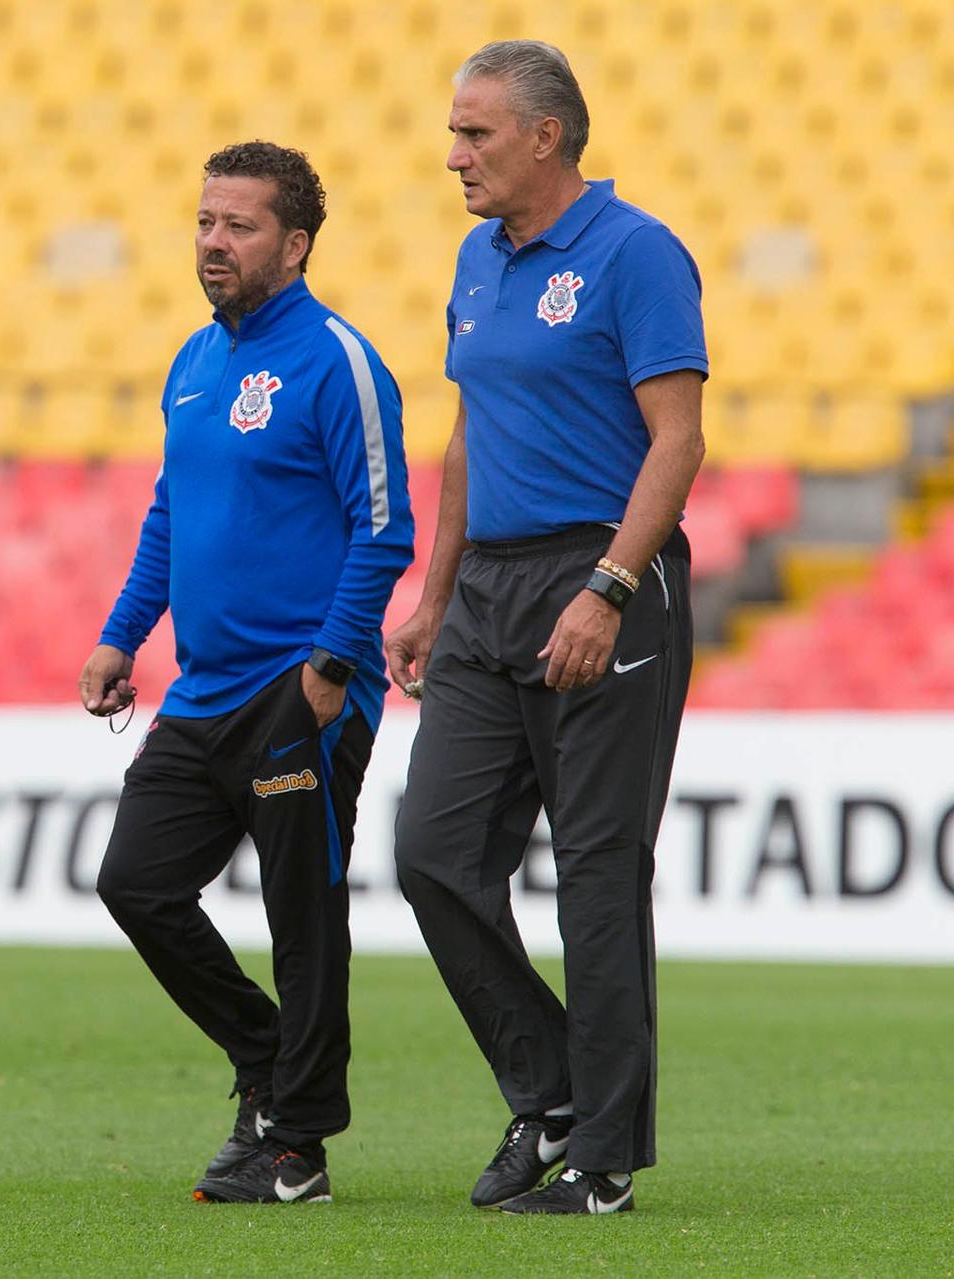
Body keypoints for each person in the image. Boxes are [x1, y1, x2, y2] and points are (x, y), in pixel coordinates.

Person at [386, 40, 707, 1215]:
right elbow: (471, 433)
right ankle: (556, 1089)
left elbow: (677, 440)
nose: (455, 154)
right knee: (432, 853)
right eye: (453, 132)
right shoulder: (477, 257)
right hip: (485, 594)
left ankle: (606, 1161)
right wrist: (434, 592)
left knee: (596, 875)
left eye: (475, 133)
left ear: (546, 136)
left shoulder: (637, 254)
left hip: (601, 575)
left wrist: (611, 585)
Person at [83, 141, 414, 1205]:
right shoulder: (193, 361)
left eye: (240, 226)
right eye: (205, 223)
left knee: (301, 913)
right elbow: (171, 514)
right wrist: (122, 634)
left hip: (299, 689)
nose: (214, 243)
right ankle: (270, 1060)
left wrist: (331, 666)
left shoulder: (339, 361)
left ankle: (296, 1144)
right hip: (202, 691)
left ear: (297, 243)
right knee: (134, 883)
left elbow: (383, 527)